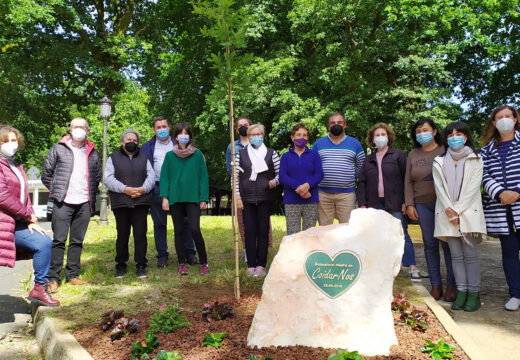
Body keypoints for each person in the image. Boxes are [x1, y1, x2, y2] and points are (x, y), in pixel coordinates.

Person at [0, 125, 59, 306]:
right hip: (3, 222)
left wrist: (30, 219)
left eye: (14, 140)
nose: (12, 144)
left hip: (16, 223)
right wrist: (27, 215)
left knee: (44, 243)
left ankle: (39, 289)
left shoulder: (16, 165)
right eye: (7, 141)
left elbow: (24, 196)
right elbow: (2, 195)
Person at [42, 117, 101, 292]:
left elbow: (96, 176)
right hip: (63, 202)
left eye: (82, 127)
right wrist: (58, 191)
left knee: (77, 241)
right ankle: (53, 278)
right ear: (70, 129)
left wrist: (89, 196)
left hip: (84, 203)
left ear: (88, 130)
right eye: (75, 126)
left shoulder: (93, 152)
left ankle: (72, 275)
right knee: (59, 240)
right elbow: (47, 174)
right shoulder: (58, 149)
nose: (78, 130)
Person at [357, 123, 421, 280]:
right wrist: (363, 204)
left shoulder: (398, 155)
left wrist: (406, 201)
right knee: (376, 235)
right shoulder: (368, 160)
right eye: (376, 135)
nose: (380, 137)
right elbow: (362, 183)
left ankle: (411, 266)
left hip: (395, 202)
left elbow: (406, 179)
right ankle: (380, 267)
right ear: (372, 139)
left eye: (382, 134)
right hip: (373, 204)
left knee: (401, 233)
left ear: (388, 137)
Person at [432, 121, 485, 312]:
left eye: (458, 133)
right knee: (455, 256)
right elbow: (439, 188)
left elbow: (473, 189)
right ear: (446, 139)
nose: (455, 137)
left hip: (468, 214)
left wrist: (457, 211)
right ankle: (461, 292)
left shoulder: (475, 159)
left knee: (470, 256)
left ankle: (474, 294)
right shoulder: (439, 160)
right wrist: (449, 210)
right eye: (450, 134)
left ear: (466, 136)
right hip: (446, 215)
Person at [405, 118, 456, 301]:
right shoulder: (413, 154)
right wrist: (410, 203)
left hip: (444, 205)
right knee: (429, 244)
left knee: (448, 244)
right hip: (422, 204)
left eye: (425, 130)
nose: (422, 134)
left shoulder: (445, 150)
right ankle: (436, 284)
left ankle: (452, 284)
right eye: (418, 131)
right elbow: (408, 181)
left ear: (434, 131)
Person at [141, 116, 197, 268]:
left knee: (185, 222)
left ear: (169, 127)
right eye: (158, 127)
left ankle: (189, 253)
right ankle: (162, 256)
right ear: (154, 129)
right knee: (159, 223)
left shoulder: (178, 143)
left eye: (164, 126)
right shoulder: (147, 147)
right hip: (157, 188)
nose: (161, 130)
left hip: (179, 189)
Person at [481, 105, 520, 311]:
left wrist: (515, 192)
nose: (504, 120)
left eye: (508, 116)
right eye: (499, 117)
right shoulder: (486, 150)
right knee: (509, 253)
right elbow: (483, 175)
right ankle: (515, 293)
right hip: (500, 208)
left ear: (515, 119)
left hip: (519, 203)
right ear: (494, 123)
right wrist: (500, 193)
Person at [160, 123, 209, 275]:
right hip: (176, 198)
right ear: (175, 137)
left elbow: (203, 177)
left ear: (190, 136)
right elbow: (165, 177)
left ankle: (204, 262)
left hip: (193, 197)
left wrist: (203, 198)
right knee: (179, 230)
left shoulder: (198, 155)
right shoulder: (169, 156)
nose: (183, 136)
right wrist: (165, 198)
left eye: (186, 133)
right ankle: (181, 263)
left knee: (195, 229)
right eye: (180, 133)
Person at [105, 129, 155, 278]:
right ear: (122, 142)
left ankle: (141, 264)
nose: (131, 142)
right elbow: (108, 178)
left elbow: (151, 177)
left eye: (134, 140)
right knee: (122, 235)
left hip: (141, 202)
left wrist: (143, 189)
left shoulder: (144, 157)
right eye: (128, 140)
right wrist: (125, 189)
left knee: (140, 235)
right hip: (121, 202)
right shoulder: (112, 158)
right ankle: (121, 265)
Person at [235, 124, 279, 277]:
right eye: (253, 134)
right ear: (248, 136)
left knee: (263, 231)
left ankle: (261, 264)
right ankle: (251, 264)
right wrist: (237, 196)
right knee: (249, 231)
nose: (256, 136)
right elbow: (235, 178)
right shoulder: (241, 154)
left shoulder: (271, 153)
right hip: (246, 198)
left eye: (259, 133)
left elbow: (280, 174)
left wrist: (273, 182)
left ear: (263, 135)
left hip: (264, 197)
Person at [226, 117, 273, 254]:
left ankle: (264, 248)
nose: (243, 127)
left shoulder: (261, 145)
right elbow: (231, 170)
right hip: (243, 189)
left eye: (245, 125)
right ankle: (249, 250)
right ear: (236, 129)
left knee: (263, 221)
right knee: (244, 221)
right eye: (240, 125)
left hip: (261, 189)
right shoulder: (233, 147)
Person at [312, 112, 365, 225]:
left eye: (339, 122)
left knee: (348, 230)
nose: (336, 125)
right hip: (323, 194)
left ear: (345, 125)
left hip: (347, 195)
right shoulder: (318, 144)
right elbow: (312, 166)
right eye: (332, 123)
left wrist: (350, 178)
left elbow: (362, 166)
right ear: (328, 126)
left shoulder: (355, 144)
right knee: (324, 231)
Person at [279, 123, 323, 235]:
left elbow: (319, 174)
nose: (302, 137)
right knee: (293, 234)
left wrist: (307, 185)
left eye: (304, 135)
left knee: (310, 234)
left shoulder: (314, 155)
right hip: (291, 200)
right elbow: (282, 176)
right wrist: (299, 188)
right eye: (298, 135)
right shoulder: (285, 157)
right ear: (292, 137)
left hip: (311, 200)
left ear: (307, 138)